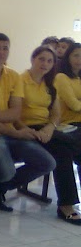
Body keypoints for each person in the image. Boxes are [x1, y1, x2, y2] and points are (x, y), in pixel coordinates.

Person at [0, 33, 56, 212]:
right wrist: (13, 128)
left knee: (47, 163)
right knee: (7, 171)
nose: (1, 52)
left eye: (5, 48)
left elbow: (15, 113)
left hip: (9, 131)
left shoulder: (12, 76)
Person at [18, 45, 81, 226]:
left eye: (50, 61)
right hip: (27, 127)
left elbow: (55, 113)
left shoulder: (50, 83)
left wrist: (49, 128)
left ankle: (67, 204)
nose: (45, 64)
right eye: (41, 59)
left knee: (65, 148)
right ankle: (66, 206)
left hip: (47, 128)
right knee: (65, 149)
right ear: (32, 59)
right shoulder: (20, 80)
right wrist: (30, 130)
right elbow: (15, 113)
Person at [55, 42, 81, 125]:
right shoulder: (61, 77)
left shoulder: (78, 79)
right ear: (68, 57)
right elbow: (74, 105)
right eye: (76, 55)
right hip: (70, 123)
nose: (79, 59)